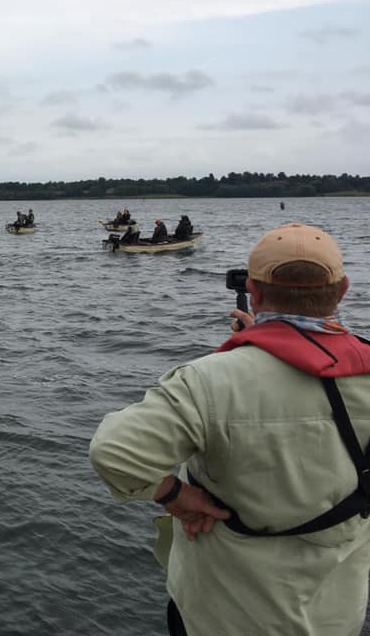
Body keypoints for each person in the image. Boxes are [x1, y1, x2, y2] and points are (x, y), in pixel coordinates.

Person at [90, 223, 370, 636]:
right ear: (343, 290)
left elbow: (113, 452)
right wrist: (266, 341)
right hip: (336, 617)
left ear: (253, 292)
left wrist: (176, 496)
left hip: (221, 616)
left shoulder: (208, 381)